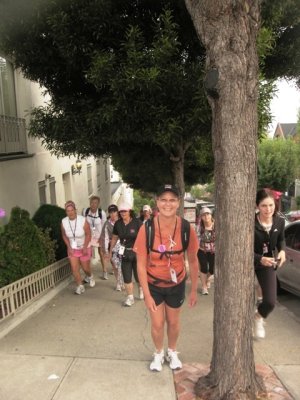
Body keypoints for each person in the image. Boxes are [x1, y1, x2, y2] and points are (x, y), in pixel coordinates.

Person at [133, 184, 199, 372]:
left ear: (178, 203)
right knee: (157, 323)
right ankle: (158, 353)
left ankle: (172, 351)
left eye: (172, 200)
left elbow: (193, 261)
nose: (167, 204)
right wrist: (145, 293)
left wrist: (194, 289)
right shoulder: (147, 228)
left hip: (176, 283)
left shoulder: (186, 228)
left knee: (173, 322)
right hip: (153, 283)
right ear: (157, 202)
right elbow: (140, 264)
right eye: (163, 200)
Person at [254, 189, 286, 339]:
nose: (268, 209)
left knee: (271, 302)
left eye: (271, 205)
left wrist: (283, 251)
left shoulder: (279, 220)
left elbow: (281, 239)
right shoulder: (251, 222)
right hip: (248, 260)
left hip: (267, 262)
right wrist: (258, 258)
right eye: (264, 206)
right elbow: (240, 247)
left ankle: (258, 317)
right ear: (257, 206)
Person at [109, 203, 143, 306]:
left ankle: (141, 289)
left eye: (125, 211)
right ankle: (130, 297)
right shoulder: (118, 224)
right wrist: (110, 251)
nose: (123, 213)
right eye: (121, 211)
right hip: (124, 252)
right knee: (127, 275)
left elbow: (144, 237)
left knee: (139, 276)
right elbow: (114, 237)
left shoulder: (137, 222)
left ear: (130, 211)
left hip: (137, 252)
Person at [61, 200, 95, 294]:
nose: (70, 212)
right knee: (74, 268)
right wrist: (69, 246)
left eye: (72, 210)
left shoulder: (82, 220)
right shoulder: (64, 222)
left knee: (85, 268)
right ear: (66, 212)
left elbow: (88, 234)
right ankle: (80, 286)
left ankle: (90, 276)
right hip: (73, 248)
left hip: (85, 246)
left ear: (75, 210)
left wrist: (84, 247)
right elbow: (64, 235)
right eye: (68, 211)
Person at [100, 204, 124, 291]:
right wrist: (106, 251)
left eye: (114, 212)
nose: (113, 214)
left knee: (122, 265)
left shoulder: (122, 221)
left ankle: (123, 281)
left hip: (123, 246)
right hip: (112, 246)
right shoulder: (107, 224)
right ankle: (118, 281)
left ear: (117, 212)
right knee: (114, 264)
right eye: (110, 212)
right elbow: (105, 238)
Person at [83, 196, 107, 279]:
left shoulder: (102, 213)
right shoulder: (85, 211)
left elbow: (104, 226)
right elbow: (84, 224)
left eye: (95, 203)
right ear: (90, 203)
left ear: (98, 204)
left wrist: (102, 237)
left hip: (99, 235)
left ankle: (104, 271)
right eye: (92, 203)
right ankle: (88, 274)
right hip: (89, 236)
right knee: (88, 255)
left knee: (101, 253)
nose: (93, 205)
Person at [197, 207, 215, 295]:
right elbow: (196, 239)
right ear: (201, 217)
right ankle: (204, 287)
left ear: (211, 215)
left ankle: (207, 279)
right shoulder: (199, 227)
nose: (206, 216)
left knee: (213, 269)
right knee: (203, 267)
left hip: (214, 251)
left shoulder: (217, 226)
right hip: (202, 250)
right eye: (204, 215)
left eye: (208, 214)